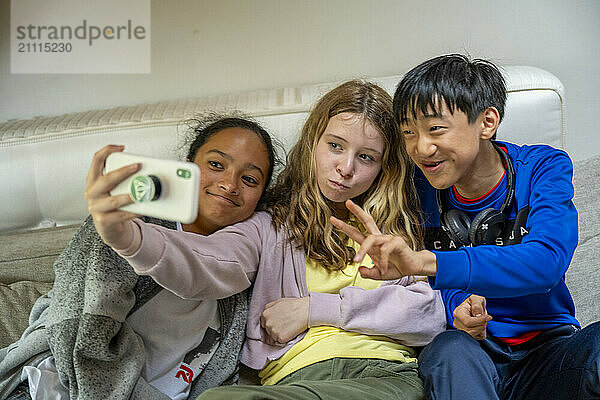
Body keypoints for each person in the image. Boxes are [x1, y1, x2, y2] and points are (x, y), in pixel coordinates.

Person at [91, 80, 446, 400]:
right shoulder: (269, 225)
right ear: (312, 144)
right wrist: (130, 238)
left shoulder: (394, 228)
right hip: (295, 382)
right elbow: (208, 260)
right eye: (335, 146)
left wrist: (312, 310)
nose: (346, 167)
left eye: (366, 157)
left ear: (384, 167)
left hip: (383, 376)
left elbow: (428, 316)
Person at [331, 54, 600, 399]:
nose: (420, 147)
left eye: (435, 129)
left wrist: (426, 262)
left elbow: (546, 261)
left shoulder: (543, 167)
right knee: (447, 351)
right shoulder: (416, 184)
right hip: (468, 352)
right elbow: (428, 286)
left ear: (487, 121)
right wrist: (456, 300)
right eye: (408, 133)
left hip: (549, 351)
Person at [0, 114, 280, 400]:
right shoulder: (125, 223)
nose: (229, 184)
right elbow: (76, 330)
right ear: (187, 167)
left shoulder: (244, 272)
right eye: (216, 165)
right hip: (59, 387)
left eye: (249, 179)